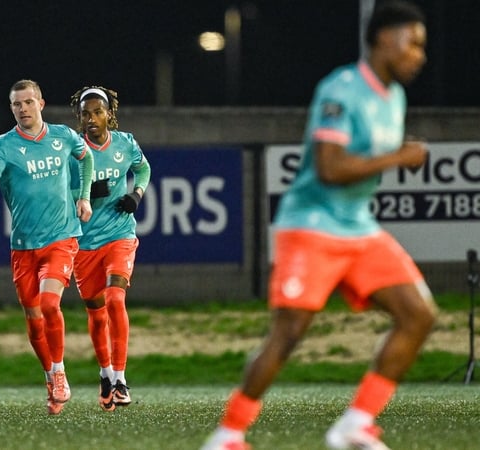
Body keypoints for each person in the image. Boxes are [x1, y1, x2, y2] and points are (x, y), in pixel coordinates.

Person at [201, 2, 435, 449]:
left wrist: (393, 156)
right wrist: (398, 157)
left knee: (418, 314)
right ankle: (228, 434)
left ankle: (355, 423)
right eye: (414, 42)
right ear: (385, 38)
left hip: (358, 228)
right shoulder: (342, 89)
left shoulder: (395, 96)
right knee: (289, 333)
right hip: (311, 226)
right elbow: (330, 168)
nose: (419, 55)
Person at [0, 79, 94, 415]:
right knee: (32, 318)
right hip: (23, 246)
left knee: (48, 303)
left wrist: (84, 195)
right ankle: (49, 375)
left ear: (41, 103)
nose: (23, 109)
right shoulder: (3, 146)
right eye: (17, 104)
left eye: (29, 102)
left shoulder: (63, 137)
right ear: (11, 108)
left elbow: (86, 159)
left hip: (61, 238)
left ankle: (59, 372)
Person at [68, 86, 151, 411]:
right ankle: (104, 374)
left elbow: (143, 169)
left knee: (116, 298)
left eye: (98, 112)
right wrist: (83, 191)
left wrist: (137, 194)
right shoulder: (71, 151)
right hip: (84, 243)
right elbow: (61, 188)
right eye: (86, 113)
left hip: (119, 236)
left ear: (109, 114)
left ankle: (120, 378)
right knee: (96, 313)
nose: (92, 119)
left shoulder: (125, 143)